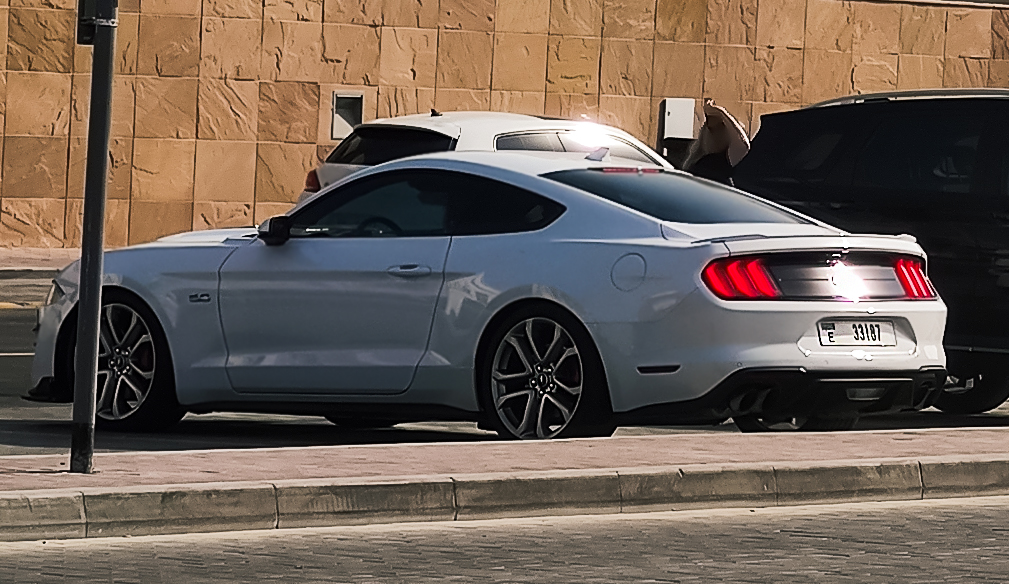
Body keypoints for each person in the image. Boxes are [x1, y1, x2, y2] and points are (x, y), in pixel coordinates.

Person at [683, 100, 750, 186]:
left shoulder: (699, 160)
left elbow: (742, 143)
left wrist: (720, 112)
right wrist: (720, 112)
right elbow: (742, 144)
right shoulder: (711, 160)